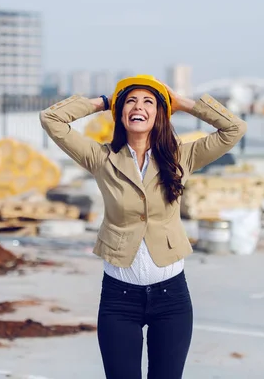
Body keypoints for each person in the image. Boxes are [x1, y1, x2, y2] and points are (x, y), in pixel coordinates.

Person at [40, 74, 247, 378]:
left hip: (171, 299)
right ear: (121, 113)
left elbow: (234, 128)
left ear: (160, 114)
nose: (139, 106)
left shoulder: (181, 156)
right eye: (131, 101)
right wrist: (105, 101)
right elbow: (51, 119)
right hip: (119, 301)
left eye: (149, 101)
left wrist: (184, 103)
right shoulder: (101, 158)